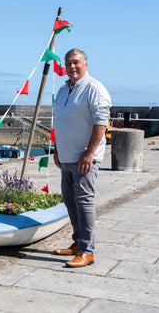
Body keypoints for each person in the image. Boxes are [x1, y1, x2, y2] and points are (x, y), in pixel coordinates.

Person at [53, 49, 112, 267]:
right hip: (66, 157)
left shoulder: (94, 88)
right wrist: (57, 149)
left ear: (85, 64)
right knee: (69, 201)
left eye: (76, 62)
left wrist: (89, 152)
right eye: (68, 63)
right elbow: (60, 121)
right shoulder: (63, 89)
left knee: (84, 202)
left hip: (85, 158)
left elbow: (101, 122)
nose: (72, 67)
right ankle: (78, 242)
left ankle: (87, 251)